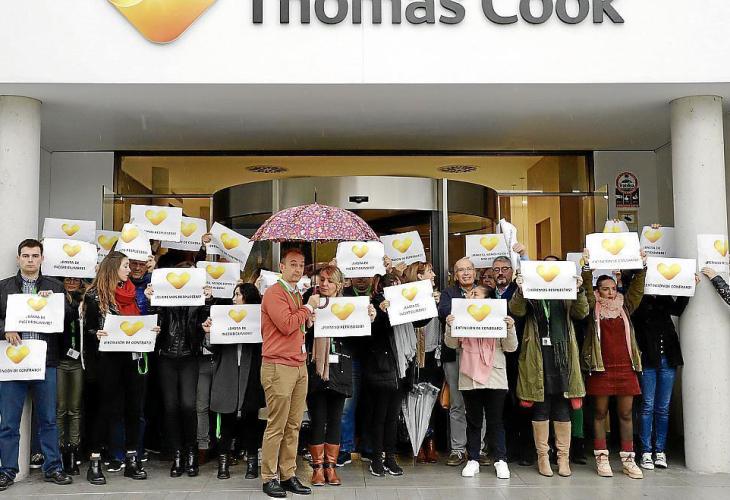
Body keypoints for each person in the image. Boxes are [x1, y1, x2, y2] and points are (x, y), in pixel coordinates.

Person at [0, 239, 74, 491]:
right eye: (26, 256)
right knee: (9, 421)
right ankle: (7, 470)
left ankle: (53, 467)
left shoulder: (55, 286)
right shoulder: (4, 287)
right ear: (18, 258)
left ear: (42, 259)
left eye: (34, 255)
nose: (30, 260)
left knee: (49, 419)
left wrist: (56, 303)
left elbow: (68, 319)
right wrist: (5, 329)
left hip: (45, 361)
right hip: (12, 363)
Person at [83, 251, 159, 485]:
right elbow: (87, 328)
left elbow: (140, 321)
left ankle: (132, 458)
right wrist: (95, 334)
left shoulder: (134, 293)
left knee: (134, 409)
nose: (130, 269)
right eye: (126, 265)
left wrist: (151, 328)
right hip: (108, 360)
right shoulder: (95, 296)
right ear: (113, 267)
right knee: (106, 409)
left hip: (133, 357)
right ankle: (95, 461)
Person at [510, 260, 588, 478]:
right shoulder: (533, 293)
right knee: (541, 408)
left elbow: (581, 312)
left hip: (563, 357)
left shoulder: (566, 293)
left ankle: (563, 458)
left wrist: (579, 290)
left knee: (562, 409)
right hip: (538, 355)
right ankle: (543, 457)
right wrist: (521, 290)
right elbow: (516, 310)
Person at [306, 265, 376, 486]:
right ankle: (317, 468)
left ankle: (331, 467)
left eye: (329, 280)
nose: (324, 284)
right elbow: (300, 334)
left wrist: (369, 319)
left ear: (338, 284)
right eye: (322, 280)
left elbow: (361, 341)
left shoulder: (351, 305)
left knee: (337, 418)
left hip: (342, 366)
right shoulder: (311, 301)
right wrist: (308, 319)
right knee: (318, 418)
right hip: (317, 366)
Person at [581, 249, 647, 479]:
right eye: (605, 289)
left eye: (613, 288)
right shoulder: (593, 307)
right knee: (600, 413)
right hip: (601, 367)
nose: (610, 292)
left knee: (626, 413)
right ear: (598, 290)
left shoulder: (625, 305)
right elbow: (585, 291)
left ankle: (628, 459)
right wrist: (586, 268)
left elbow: (637, 289)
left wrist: (642, 266)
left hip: (626, 366)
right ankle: (602, 457)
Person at [259, 247, 319, 498]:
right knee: (277, 425)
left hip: (298, 364)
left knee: (294, 425)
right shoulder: (275, 293)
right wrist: (308, 309)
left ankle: (287, 474)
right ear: (281, 267)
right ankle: (269, 476)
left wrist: (306, 318)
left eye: (301, 265)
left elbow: (295, 325)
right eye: (293, 264)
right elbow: (285, 325)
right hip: (278, 365)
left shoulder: (296, 294)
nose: (298, 269)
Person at [444, 285, 518, 479]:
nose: (470, 296)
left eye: (475, 294)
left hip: (495, 376)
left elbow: (511, 348)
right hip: (470, 376)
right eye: (469, 294)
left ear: (487, 300)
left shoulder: (498, 317)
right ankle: (473, 459)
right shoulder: (461, 316)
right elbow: (451, 344)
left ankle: (501, 460)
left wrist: (510, 327)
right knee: (474, 420)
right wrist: (450, 325)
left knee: (495, 420)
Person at [148, 262, 212, 478]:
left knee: (188, 405)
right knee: (170, 407)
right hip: (166, 356)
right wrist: (152, 301)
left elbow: (205, 322)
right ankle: (177, 454)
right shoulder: (165, 296)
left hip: (188, 355)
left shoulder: (198, 299)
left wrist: (207, 300)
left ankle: (191, 452)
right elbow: (156, 320)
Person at [632, 273, 699, 470]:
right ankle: (646, 451)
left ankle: (660, 450)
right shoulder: (638, 298)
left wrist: (688, 287)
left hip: (667, 357)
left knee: (663, 407)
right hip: (648, 358)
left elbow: (677, 309)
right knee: (647, 406)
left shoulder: (664, 296)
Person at [203, 283, 266, 480]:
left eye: (237, 294)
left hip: (251, 373)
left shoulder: (259, 317)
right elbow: (212, 347)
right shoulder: (224, 316)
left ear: (248, 297)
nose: (234, 298)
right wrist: (208, 333)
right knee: (226, 416)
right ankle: (223, 461)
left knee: (250, 417)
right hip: (227, 371)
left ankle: (252, 461)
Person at [365, 272, 411, 477]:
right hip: (381, 367)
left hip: (401, 367)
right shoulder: (375, 304)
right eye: (393, 285)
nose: (397, 288)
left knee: (393, 416)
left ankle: (390, 457)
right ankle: (376, 458)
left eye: (400, 284)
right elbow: (373, 332)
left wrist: (428, 303)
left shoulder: (405, 303)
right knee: (379, 415)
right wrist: (382, 313)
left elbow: (419, 320)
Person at [437, 258, 479, 467]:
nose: (466, 273)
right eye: (461, 270)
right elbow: (443, 313)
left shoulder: (484, 292)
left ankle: (479, 449)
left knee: (479, 403)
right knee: (457, 403)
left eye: (469, 269)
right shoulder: (448, 293)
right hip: (454, 354)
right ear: (455, 275)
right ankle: (457, 449)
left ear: (475, 272)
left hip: (480, 355)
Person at [403, 261, 443, 463]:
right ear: (418, 276)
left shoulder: (438, 296)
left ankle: (430, 442)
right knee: (411, 398)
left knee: (431, 400)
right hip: (411, 354)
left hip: (432, 354)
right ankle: (414, 441)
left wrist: (439, 304)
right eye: (429, 271)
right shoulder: (406, 297)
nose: (434, 275)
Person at [57, 276, 85, 476]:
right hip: (59, 360)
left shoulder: (86, 300)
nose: (72, 282)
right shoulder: (55, 298)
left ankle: (73, 450)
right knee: (60, 408)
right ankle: (60, 451)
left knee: (74, 409)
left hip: (78, 362)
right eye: (68, 279)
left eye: (76, 279)